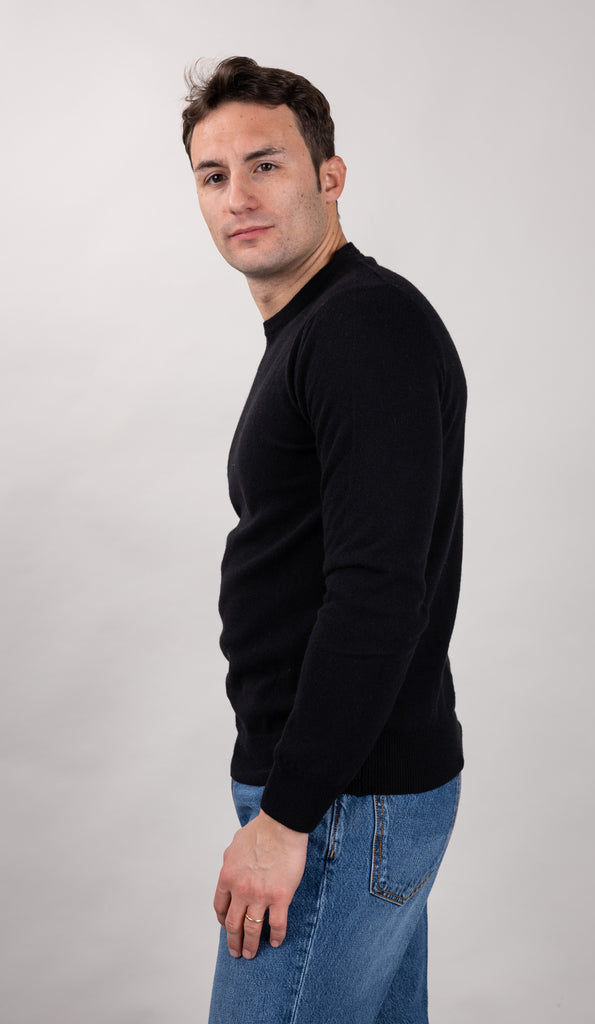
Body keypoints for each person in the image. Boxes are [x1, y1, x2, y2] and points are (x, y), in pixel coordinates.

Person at [182, 56, 467, 1024]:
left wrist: (286, 815)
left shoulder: (360, 327)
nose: (237, 196)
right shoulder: (319, 327)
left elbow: (377, 591)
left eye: (265, 164)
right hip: (343, 794)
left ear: (328, 176)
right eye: (213, 175)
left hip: (341, 802)